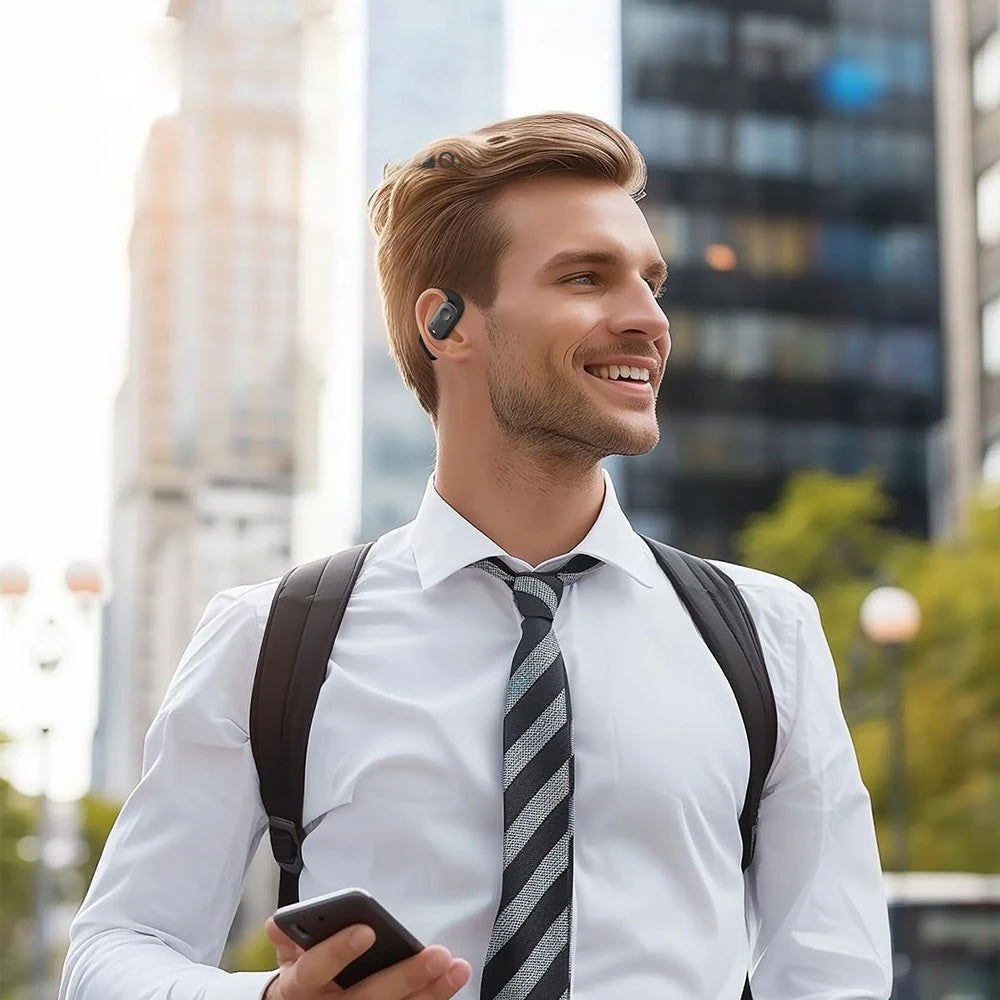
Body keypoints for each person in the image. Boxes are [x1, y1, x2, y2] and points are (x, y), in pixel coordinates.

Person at [60, 111, 892, 1000]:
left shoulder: (767, 636)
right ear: (447, 322)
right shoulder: (268, 640)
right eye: (586, 277)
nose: (649, 320)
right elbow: (113, 951)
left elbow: (831, 973)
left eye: (653, 283)